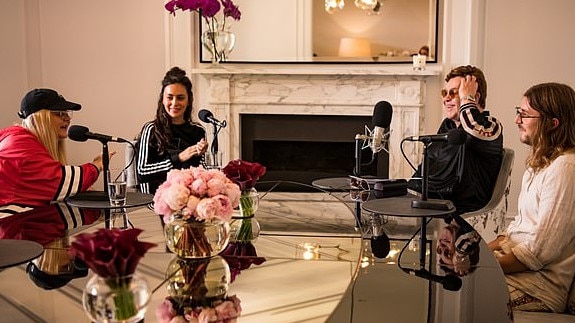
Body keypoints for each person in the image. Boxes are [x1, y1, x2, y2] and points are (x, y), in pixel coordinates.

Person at [488, 82, 575, 313]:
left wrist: (484, 266)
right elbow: (516, 228)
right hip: (517, 271)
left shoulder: (566, 168)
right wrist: (481, 252)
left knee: (465, 298)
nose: (517, 120)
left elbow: (539, 252)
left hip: (538, 287)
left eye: (524, 114)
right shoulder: (538, 166)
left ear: (552, 124)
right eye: (519, 112)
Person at [407, 65, 503, 215]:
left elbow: (472, 131)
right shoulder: (448, 127)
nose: (446, 98)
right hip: (438, 207)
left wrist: (467, 99)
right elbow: (430, 168)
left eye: (455, 93)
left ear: (474, 97)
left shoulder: (491, 126)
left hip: (468, 214)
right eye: (445, 93)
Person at [0, 88, 109, 207]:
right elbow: (56, 181)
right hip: (10, 221)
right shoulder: (19, 145)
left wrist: (80, 189)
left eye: (66, 113)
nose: (67, 118)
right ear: (38, 119)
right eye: (59, 113)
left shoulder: (20, 140)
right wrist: (96, 166)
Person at [136, 67, 208, 194]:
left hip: (189, 199)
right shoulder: (151, 129)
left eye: (180, 98)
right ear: (163, 99)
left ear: (188, 100)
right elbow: (142, 172)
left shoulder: (198, 131)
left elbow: (201, 172)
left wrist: (200, 155)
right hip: (155, 200)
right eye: (170, 97)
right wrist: (179, 157)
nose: (174, 103)